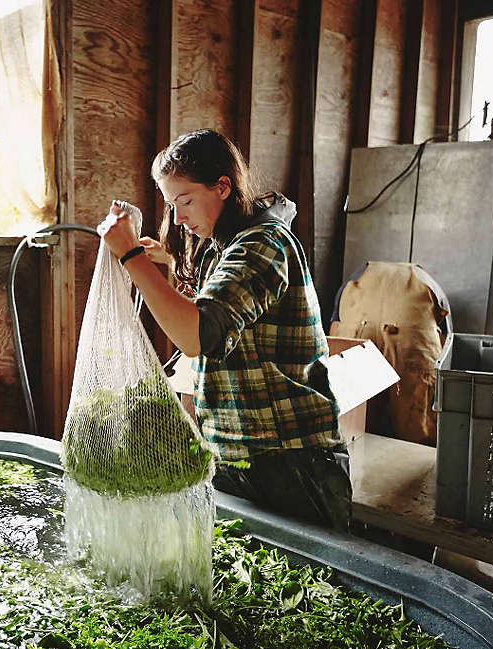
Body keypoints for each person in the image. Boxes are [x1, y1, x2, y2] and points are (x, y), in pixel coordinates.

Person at [99, 128, 352, 531]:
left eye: (185, 201)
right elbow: (221, 299)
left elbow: (198, 335)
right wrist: (164, 261)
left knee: (300, 588)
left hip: (290, 462)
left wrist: (131, 258)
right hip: (239, 455)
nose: (179, 218)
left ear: (222, 187)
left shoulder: (263, 245)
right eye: (171, 205)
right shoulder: (229, 245)